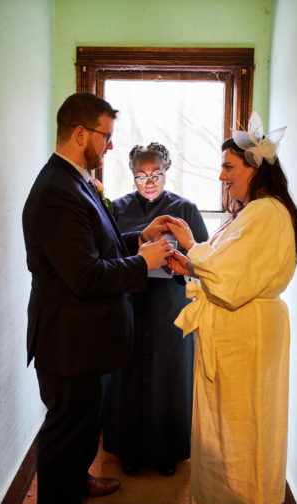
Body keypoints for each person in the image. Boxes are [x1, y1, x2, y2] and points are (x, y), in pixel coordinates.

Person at [22, 92, 175, 504]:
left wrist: (139, 238)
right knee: (65, 436)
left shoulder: (76, 180)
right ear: (79, 133)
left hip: (85, 341)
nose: (109, 145)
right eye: (104, 136)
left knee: (85, 429)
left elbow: (96, 246)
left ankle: (80, 481)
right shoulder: (56, 191)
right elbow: (86, 275)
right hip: (68, 345)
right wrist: (143, 263)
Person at [166, 112, 297, 504]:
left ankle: (247, 502)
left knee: (245, 428)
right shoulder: (252, 212)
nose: (221, 176)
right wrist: (190, 264)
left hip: (247, 336)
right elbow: (228, 269)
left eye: (228, 167)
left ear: (255, 169)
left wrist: (190, 246)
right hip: (241, 330)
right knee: (231, 426)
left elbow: (228, 276)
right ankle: (232, 499)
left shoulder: (265, 213)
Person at [102, 142, 209, 477]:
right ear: (132, 175)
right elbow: (106, 256)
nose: (149, 183)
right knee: (128, 379)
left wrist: (180, 262)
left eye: (156, 175)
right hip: (130, 304)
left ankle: (168, 452)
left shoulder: (186, 209)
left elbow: (205, 258)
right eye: (141, 176)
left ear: (166, 171)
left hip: (170, 305)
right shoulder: (116, 209)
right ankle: (129, 451)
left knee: (169, 379)